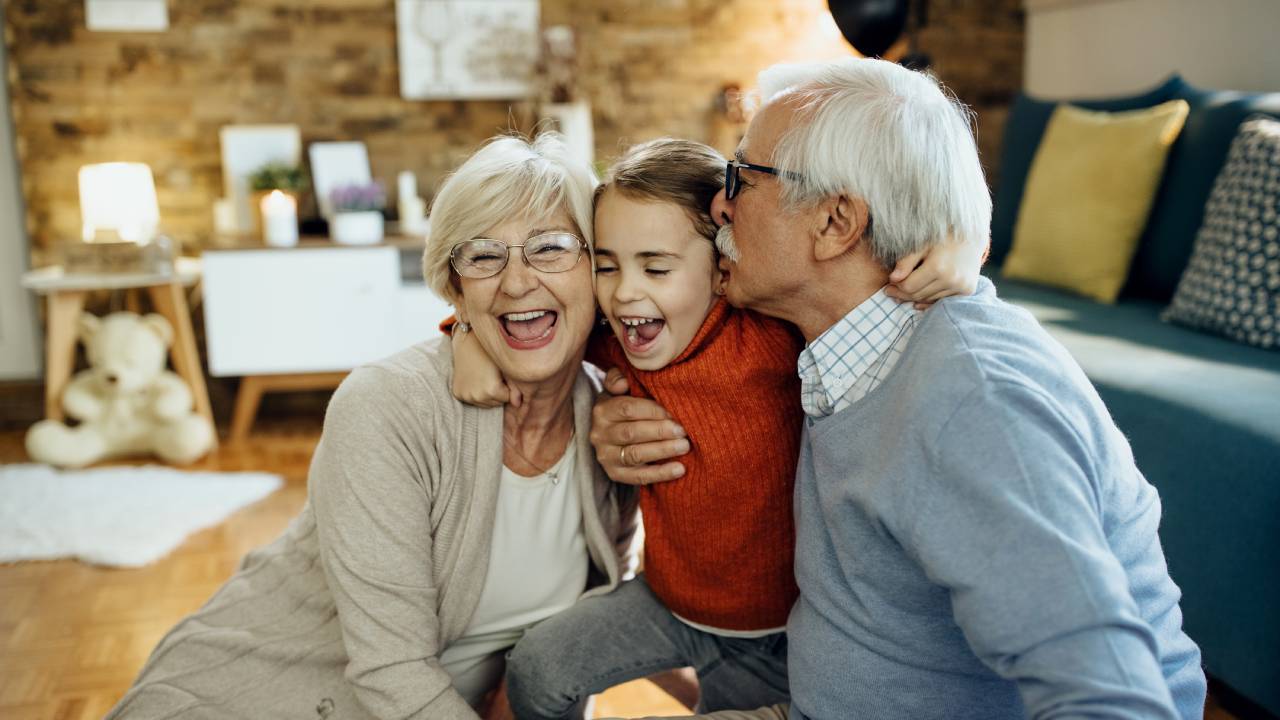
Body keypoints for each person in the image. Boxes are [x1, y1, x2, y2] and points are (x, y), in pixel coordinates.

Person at [593, 58, 1207, 720]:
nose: (721, 202)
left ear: (835, 223)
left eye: (743, 177)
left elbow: (1117, 701)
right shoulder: (825, 334)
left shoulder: (974, 406)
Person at [105, 133, 639, 720]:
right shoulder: (387, 406)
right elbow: (393, 671)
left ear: (598, 269)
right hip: (253, 698)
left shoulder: (613, 421)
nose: (516, 282)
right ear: (456, 291)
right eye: (484, 256)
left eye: (551, 248)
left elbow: (580, 631)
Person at [447, 137, 983, 717]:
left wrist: (964, 245)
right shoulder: (618, 338)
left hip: (776, 629)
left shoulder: (771, 337)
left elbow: (875, 292)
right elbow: (527, 322)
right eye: (606, 266)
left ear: (723, 271)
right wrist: (465, 336)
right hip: (666, 601)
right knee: (538, 667)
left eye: (656, 266)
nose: (625, 292)